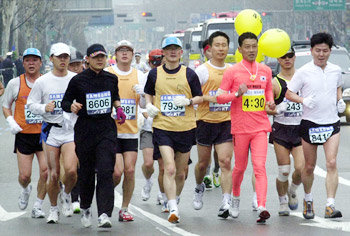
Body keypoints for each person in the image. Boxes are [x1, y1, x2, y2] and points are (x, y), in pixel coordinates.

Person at [207, 32, 275, 223]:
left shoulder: (265, 70)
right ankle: (235, 198)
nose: (251, 50)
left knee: (260, 167)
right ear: (240, 49)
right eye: (247, 47)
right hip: (240, 128)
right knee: (240, 167)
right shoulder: (232, 71)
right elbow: (220, 97)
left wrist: (270, 102)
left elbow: (268, 90)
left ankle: (261, 205)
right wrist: (237, 93)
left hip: (261, 126)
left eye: (254, 46)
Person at [62, 43, 125, 228]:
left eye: (102, 57)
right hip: (85, 130)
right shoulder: (77, 80)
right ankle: (86, 206)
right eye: (96, 57)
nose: (100, 60)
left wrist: (119, 108)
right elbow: (65, 101)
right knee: (87, 173)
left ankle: (105, 213)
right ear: (87, 59)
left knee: (106, 170)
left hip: (106, 129)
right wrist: (71, 106)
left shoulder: (111, 79)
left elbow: (115, 97)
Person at [144, 36, 203, 223]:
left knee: (181, 171)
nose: (172, 52)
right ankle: (172, 207)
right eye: (168, 49)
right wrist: (149, 105)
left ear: (180, 52)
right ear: (163, 52)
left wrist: (189, 101)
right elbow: (148, 93)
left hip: (185, 127)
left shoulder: (189, 74)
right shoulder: (154, 74)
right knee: (168, 168)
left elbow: (200, 97)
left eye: (175, 49)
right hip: (163, 127)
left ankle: (175, 198)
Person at [285, 32, 344, 219]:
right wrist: (303, 100)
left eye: (325, 51)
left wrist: (340, 100)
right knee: (309, 166)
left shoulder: (336, 70)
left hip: (331, 123)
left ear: (330, 51)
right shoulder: (303, 72)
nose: (321, 54)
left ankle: (330, 205)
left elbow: (338, 87)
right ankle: (308, 200)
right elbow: (288, 93)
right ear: (311, 51)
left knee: (332, 162)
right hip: (310, 123)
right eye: (317, 50)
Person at [27, 42, 78, 224]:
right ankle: (54, 209)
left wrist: (78, 106)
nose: (63, 60)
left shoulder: (75, 78)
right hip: (51, 131)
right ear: (51, 59)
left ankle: (66, 193)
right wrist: (44, 108)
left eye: (66, 57)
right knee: (53, 173)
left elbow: (83, 99)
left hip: (70, 130)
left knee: (71, 171)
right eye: (59, 57)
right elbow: (31, 104)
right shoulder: (43, 81)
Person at [2, 48, 47, 218]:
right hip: (24, 135)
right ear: (23, 63)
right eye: (28, 60)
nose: (31, 63)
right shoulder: (15, 83)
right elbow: (5, 105)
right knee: (24, 175)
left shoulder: (46, 81)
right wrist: (11, 121)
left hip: (44, 134)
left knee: (46, 171)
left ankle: (38, 205)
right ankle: (25, 189)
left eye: (35, 60)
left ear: (40, 63)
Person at [192, 31, 233, 218]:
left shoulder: (232, 70)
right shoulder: (201, 71)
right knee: (202, 164)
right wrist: (212, 98)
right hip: (205, 122)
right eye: (217, 45)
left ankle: (226, 201)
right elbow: (193, 98)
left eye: (224, 45)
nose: (221, 48)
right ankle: (199, 187)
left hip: (226, 122)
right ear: (210, 48)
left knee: (225, 162)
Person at [105, 40, 144, 222]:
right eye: (121, 50)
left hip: (131, 131)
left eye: (128, 50)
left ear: (132, 54)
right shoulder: (108, 73)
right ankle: (106, 193)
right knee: (117, 172)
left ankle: (125, 208)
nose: (124, 53)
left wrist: (143, 94)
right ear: (116, 54)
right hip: (111, 131)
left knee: (129, 171)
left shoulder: (140, 75)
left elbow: (145, 105)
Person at [266, 48, 304, 216]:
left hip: (301, 129)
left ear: (295, 57)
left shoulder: (303, 78)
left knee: (301, 169)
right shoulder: (274, 82)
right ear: (279, 60)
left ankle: (293, 189)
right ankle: (282, 202)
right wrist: (277, 109)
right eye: (284, 57)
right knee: (284, 171)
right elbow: (267, 107)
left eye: (290, 56)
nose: (287, 59)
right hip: (281, 130)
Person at [138, 49, 164, 203]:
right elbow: (138, 105)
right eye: (154, 62)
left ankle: (162, 193)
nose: (157, 64)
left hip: (164, 127)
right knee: (148, 163)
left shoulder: (171, 76)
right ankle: (148, 181)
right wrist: (144, 111)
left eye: (160, 61)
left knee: (163, 165)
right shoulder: (144, 78)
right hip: (148, 128)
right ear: (149, 63)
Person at [201, 38, 220, 189]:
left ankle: (216, 170)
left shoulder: (228, 69)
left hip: (224, 119)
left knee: (221, 154)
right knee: (206, 153)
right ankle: (206, 174)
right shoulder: (201, 71)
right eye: (208, 50)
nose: (210, 53)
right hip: (205, 118)